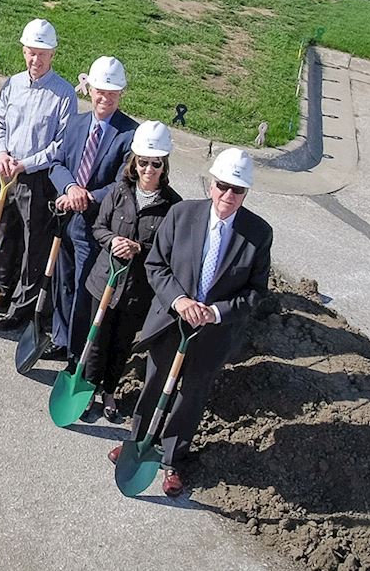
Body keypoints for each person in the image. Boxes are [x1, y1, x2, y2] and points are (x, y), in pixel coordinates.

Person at [111, 148, 271, 499]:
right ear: (211, 183)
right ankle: (137, 442)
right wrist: (180, 301)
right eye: (223, 186)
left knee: (191, 396)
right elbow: (156, 265)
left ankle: (171, 460)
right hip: (171, 322)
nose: (228, 196)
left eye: (237, 190)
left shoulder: (258, 233)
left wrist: (215, 313)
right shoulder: (182, 214)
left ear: (247, 193)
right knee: (154, 385)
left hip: (212, 333)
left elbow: (257, 291)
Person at [83, 121, 179, 424]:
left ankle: (109, 392)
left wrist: (141, 250)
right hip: (104, 284)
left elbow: (170, 254)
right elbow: (98, 227)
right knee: (96, 341)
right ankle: (86, 390)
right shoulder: (118, 192)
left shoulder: (172, 207)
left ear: (164, 166)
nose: (149, 169)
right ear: (134, 163)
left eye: (156, 163)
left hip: (137, 292)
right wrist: (113, 242)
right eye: (143, 162)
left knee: (120, 346)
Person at [0, 19, 77, 330]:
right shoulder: (12, 84)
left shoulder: (64, 94)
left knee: (32, 243)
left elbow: (61, 146)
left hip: (37, 180)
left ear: (53, 54)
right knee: (1, 235)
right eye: (30, 53)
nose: (35, 60)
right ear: (23, 51)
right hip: (5, 172)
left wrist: (26, 164)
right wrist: (1, 153)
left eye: (42, 54)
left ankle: (22, 306)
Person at [49, 56, 137, 356]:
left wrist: (86, 196)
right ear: (90, 90)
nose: (105, 97)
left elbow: (123, 183)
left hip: (97, 225)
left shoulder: (129, 135)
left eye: (112, 92)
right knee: (62, 282)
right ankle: (60, 339)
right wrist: (70, 187)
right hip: (66, 218)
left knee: (84, 289)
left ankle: (77, 351)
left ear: (121, 94)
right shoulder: (75, 124)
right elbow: (57, 163)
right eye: (100, 90)